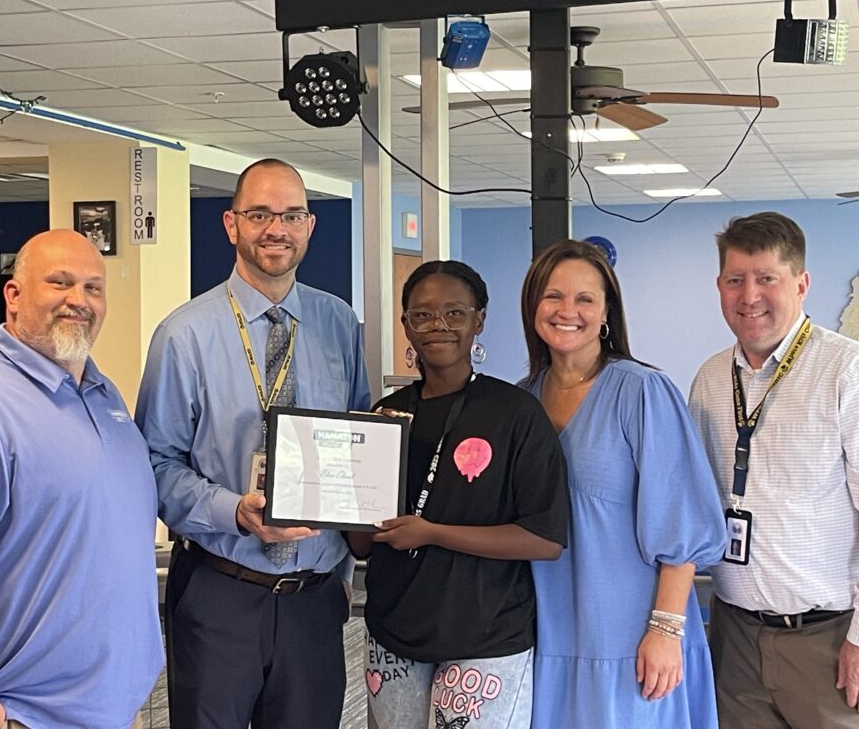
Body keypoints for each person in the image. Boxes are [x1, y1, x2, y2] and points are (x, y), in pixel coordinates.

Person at [135, 158, 370, 729]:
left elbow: (355, 448)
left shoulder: (338, 323)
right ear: (231, 224)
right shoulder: (184, 335)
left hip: (314, 597)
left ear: (309, 226)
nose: (276, 229)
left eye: (291, 215)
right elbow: (154, 464)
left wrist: (342, 576)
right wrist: (233, 511)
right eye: (259, 214)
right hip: (220, 592)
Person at [0, 229, 163, 729]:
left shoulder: (105, 396)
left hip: (113, 709)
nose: (79, 300)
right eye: (59, 283)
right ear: (14, 295)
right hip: (21, 714)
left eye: (93, 287)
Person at [350, 260, 569, 729]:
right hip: (393, 632)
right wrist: (342, 477)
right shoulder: (384, 416)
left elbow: (545, 538)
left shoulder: (515, 413)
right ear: (406, 324)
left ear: (479, 320)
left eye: (455, 313)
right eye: (422, 314)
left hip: (486, 636)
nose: (438, 325)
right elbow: (361, 542)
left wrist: (432, 533)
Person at [519, 239, 726, 729]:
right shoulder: (520, 401)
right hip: (545, 637)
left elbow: (682, 524)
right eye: (553, 296)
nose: (567, 311)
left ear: (607, 311)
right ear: (532, 306)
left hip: (633, 642)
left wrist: (666, 631)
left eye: (585, 299)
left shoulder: (643, 391)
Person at [688, 212, 859, 728]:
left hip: (828, 641)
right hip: (734, 637)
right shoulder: (710, 379)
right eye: (735, 280)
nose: (750, 296)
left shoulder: (845, 371)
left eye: (767, 278)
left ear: (801, 284)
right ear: (719, 286)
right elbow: (690, 499)